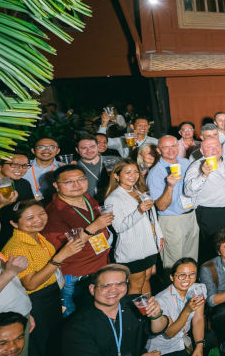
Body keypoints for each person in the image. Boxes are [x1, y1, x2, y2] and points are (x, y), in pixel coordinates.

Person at [2, 200, 85, 356]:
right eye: (30, 218)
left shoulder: (37, 236)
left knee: (54, 341)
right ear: (14, 223)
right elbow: (30, 283)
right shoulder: (17, 247)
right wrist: (61, 256)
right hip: (36, 301)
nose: (38, 220)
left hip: (51, 295)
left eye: (41, 214)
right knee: (43, 346)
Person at [42, 165, 113, 316]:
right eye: (69, 182)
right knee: (79, 318)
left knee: (101, 312)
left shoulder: (87, 198)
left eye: (81, 179)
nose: (76, 185)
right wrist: (93, 227)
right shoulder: (53, 213)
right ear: (56, 185)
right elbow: (64, 250)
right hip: (77, 276)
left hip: (100, 265)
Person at [147, 259, 211, 356]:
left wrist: (199, 346)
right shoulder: (161, 300)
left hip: (185, 336)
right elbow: (169, 333)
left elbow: (198, 319)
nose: (187, 279)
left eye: (192, 274)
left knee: (209, 338)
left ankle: (195, 354)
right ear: (171, 277)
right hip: (166, 345)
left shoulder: (198, 288)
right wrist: (187, 310)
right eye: (181, 275)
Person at [104, 160, 162, 296]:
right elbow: (119, 227)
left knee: (147, 278)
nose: (133, 175)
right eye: (127, 172)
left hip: (148, 245)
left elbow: (152, 217)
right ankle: (133, 315)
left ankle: (148, 312)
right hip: (132, 250)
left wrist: (159, 235)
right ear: (116, 176)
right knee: (135, 286)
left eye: (136, 172)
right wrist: (139, 211)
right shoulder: (113, 199)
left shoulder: (139, 191)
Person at [185, 136, 225, 262]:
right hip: (212, 215)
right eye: (209, 147)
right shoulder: (196, 166)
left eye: (217, 146)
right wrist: (203, 175)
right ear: (202, 151)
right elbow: (188, 191)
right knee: (213, 251)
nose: (214, 150)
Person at [148, 135, 198, 271]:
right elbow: (161, 206)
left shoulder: (185, 163)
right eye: (165, 147)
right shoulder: (155, 173)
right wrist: (169, 186)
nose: (171, 150)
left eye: (174, 146)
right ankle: (172, 292)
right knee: (174, 265)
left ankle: (191, 291)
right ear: (159, 150)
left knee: (192, 261)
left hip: (191, 216)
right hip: (171, 221)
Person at [74, 136, 112, 201]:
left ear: (97, 147)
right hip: (90, 207)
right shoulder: (74, 168)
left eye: (92, 147)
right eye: (84, 148)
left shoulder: (113, 161)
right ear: (77, 150)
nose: (89, 151)